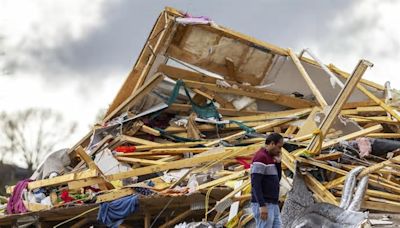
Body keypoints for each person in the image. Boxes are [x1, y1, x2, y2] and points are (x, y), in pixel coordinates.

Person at [250, 133, 283, 228]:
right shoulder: (261, 157)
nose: (279, 151)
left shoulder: (270, 158)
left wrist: (278, 164)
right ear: (272, 144)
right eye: (279, 147)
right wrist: (262, 205)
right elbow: (255, 184)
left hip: (273, 203)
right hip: (264, 203)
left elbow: (278, 179)